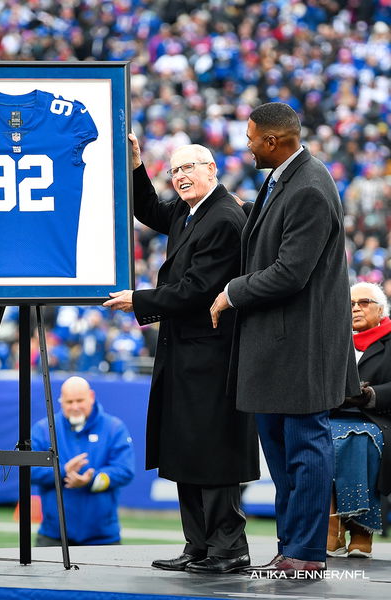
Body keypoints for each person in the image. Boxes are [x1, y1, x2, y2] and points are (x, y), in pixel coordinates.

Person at [210, 102, 360, 577]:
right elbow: (278, 227)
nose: (247, 145)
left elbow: (291, 273)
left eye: (252, 137)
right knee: (282, 454)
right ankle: (290, 546)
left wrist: (231, 293)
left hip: (301, 346)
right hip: (277, 346)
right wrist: (247, 208)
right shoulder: (286, 180)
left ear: (274, 141)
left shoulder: (311, 187)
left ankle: (308, 552)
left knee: (305, 451)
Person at [104, 134, 259, 574]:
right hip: (187, 355)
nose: (181, 176)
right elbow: (150, 210)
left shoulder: (225, 217)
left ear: (213, 169)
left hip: (213, 357)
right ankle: (199, 546)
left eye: (189, 167)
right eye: (175, 171)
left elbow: (197, 290)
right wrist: (136, 165)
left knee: (214, 452)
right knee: (188, 450)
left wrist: (141, 299)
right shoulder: (192, 212)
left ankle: (229, 549)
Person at [327, 282, 391, 558]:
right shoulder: (334, 339)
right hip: (331, 413)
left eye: (363, 303)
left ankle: (360, 530)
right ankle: (331, 529)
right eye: (351, 303)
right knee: (314, 440)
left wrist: (370, 395)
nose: (355, 308)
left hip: (376, 417)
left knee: (359, 439)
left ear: (381, 309)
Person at [31, 376, 134, 546]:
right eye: (69, 402)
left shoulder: (114, 427)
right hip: (53, 536)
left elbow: (125, 470)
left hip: (102, 538)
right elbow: (29, 470)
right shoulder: (43, 429)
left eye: (80, 400)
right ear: (60, 401)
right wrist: (63, 471)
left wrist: (91, 480)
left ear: (91, 396)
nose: (75, 407)